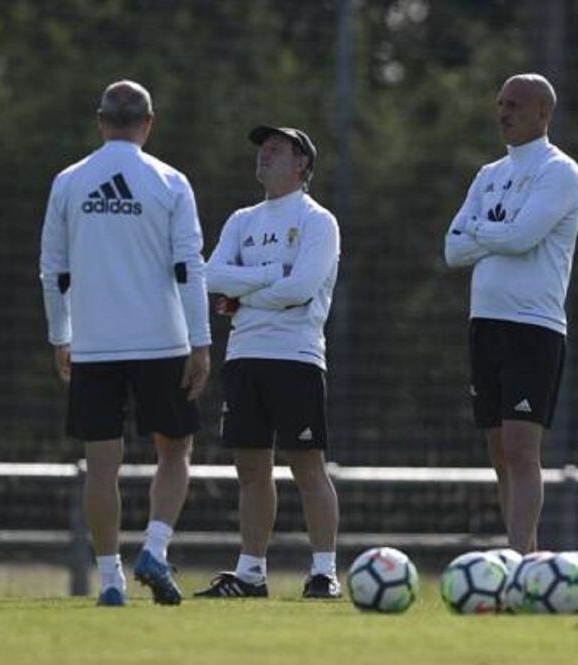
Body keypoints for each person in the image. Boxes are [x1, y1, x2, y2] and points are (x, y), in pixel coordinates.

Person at [38, 80, 211, 606]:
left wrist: (59, 335)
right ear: (148, 122)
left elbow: (53, 271)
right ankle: (154, 548)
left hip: (93, 343)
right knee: (176, 448)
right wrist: (200, 343)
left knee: (102, 463)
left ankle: (110, 580)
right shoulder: (170, 181)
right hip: (162, 341)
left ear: (100, 120)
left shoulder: (69, 181)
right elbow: (189, 267)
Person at [195, 125, 342, 599]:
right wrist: (268, 276)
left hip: (296, 356)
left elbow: (302, 289)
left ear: (302, 164)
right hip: (243, 355)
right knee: (251, 468)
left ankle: (323, 572)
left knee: (307, 463)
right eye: (262, 149)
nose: (265, 155)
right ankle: (251, 573)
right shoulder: (241, 220)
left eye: (277, 150)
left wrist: (245, 292)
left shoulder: (319, 221)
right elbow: (210, 275)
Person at [444, 74, 578, 553]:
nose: (503, 111)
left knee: (523, 448)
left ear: (543, 112)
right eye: (500, 102)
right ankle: (516, 552)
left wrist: (480, 232)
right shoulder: (488, 175)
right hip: (484, 323)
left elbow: (523, 237)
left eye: (515, 104)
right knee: (499, 450)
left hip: (533, 326)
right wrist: (493, 233)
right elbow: (451, 248)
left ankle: (523, 560)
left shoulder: (560, 171)